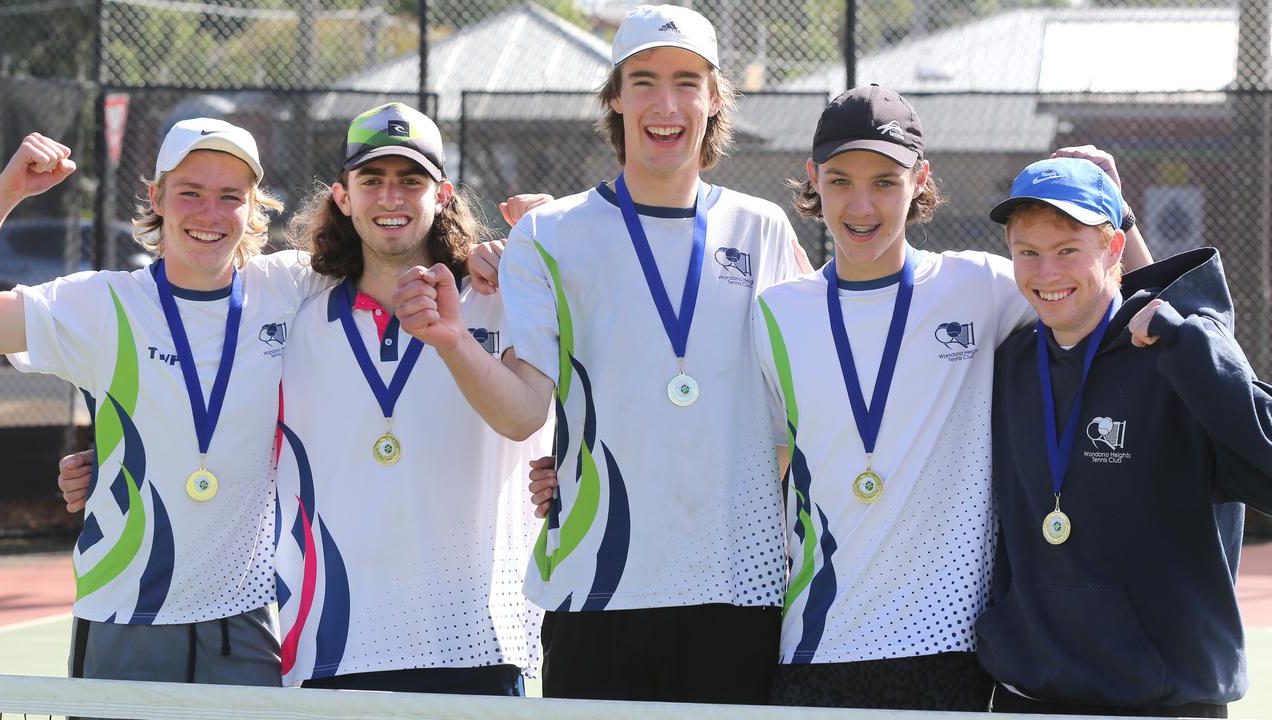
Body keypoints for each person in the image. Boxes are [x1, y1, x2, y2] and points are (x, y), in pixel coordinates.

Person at [393, 3, 810, 703]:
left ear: (714, 98)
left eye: (687, 81)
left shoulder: (762, 227)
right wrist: (453, 340)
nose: (666, 103)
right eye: (643, 81)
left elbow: (793, 413)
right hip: (596, 583)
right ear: (615, 98)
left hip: (738, 584)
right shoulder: (550, 235)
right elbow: (526, 412)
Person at [748, 86, 1153, 710]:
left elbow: (1125, 311)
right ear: (812, 180)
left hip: (949, 651)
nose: (861, 205)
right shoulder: (776, 312)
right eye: (840, 180)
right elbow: (762, 462)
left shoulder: (980, 287)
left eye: (885, 180)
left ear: (921, 180)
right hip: (815, 644)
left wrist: (1113, 213)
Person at [0, 121, 326, 685]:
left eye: (230, 197)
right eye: (191, 192)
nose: (209, 214)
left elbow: (397, 250)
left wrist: (499, 251)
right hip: (124, 613)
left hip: (244, 618)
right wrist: (6, 192)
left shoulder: (291, 287)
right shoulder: (101, 305)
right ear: (156, 197)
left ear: (253, 208)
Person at [977, 157, 1272, 716]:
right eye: (1027, 253)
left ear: (1113, 249)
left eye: (1068, 250)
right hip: (1029, 696)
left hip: (1161, 702)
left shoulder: (1179, 352)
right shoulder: (1007, 364)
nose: (1046, 273)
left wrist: (1192, 348)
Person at [271, 101, 546, 693]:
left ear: (442, 194)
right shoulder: (293, 311)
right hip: (334, 648)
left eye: (410, 181)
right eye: (372, 180)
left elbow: (525, 418)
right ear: (343, 197)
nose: (390, 198)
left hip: (478, 644)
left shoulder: (497, 297)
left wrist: (540, 232)